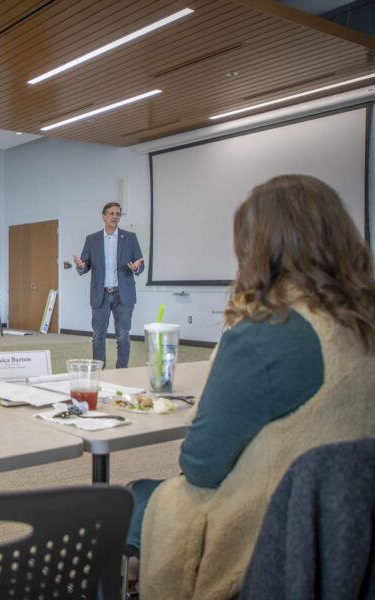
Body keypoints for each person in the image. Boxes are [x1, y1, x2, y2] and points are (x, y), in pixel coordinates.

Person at [129, 175, 375, 599]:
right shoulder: (361, 323)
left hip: (266, 543)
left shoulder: (266, 335)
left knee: (136, 496)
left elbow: (200, 465)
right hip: (352, 535)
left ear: (259, 249)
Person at [73, 201, 144, 368]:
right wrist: (81, 266)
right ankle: (99, 371)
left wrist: (136, 267)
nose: (115, 216)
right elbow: (85, 264)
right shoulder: (92, 239)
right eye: (111, 213)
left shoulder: (130, 238)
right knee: (98, 337)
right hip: (101, 295)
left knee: (123, 336)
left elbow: (140, 263)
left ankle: (122, 371)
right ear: (104, 216)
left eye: (118, 214)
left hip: (123, 295)